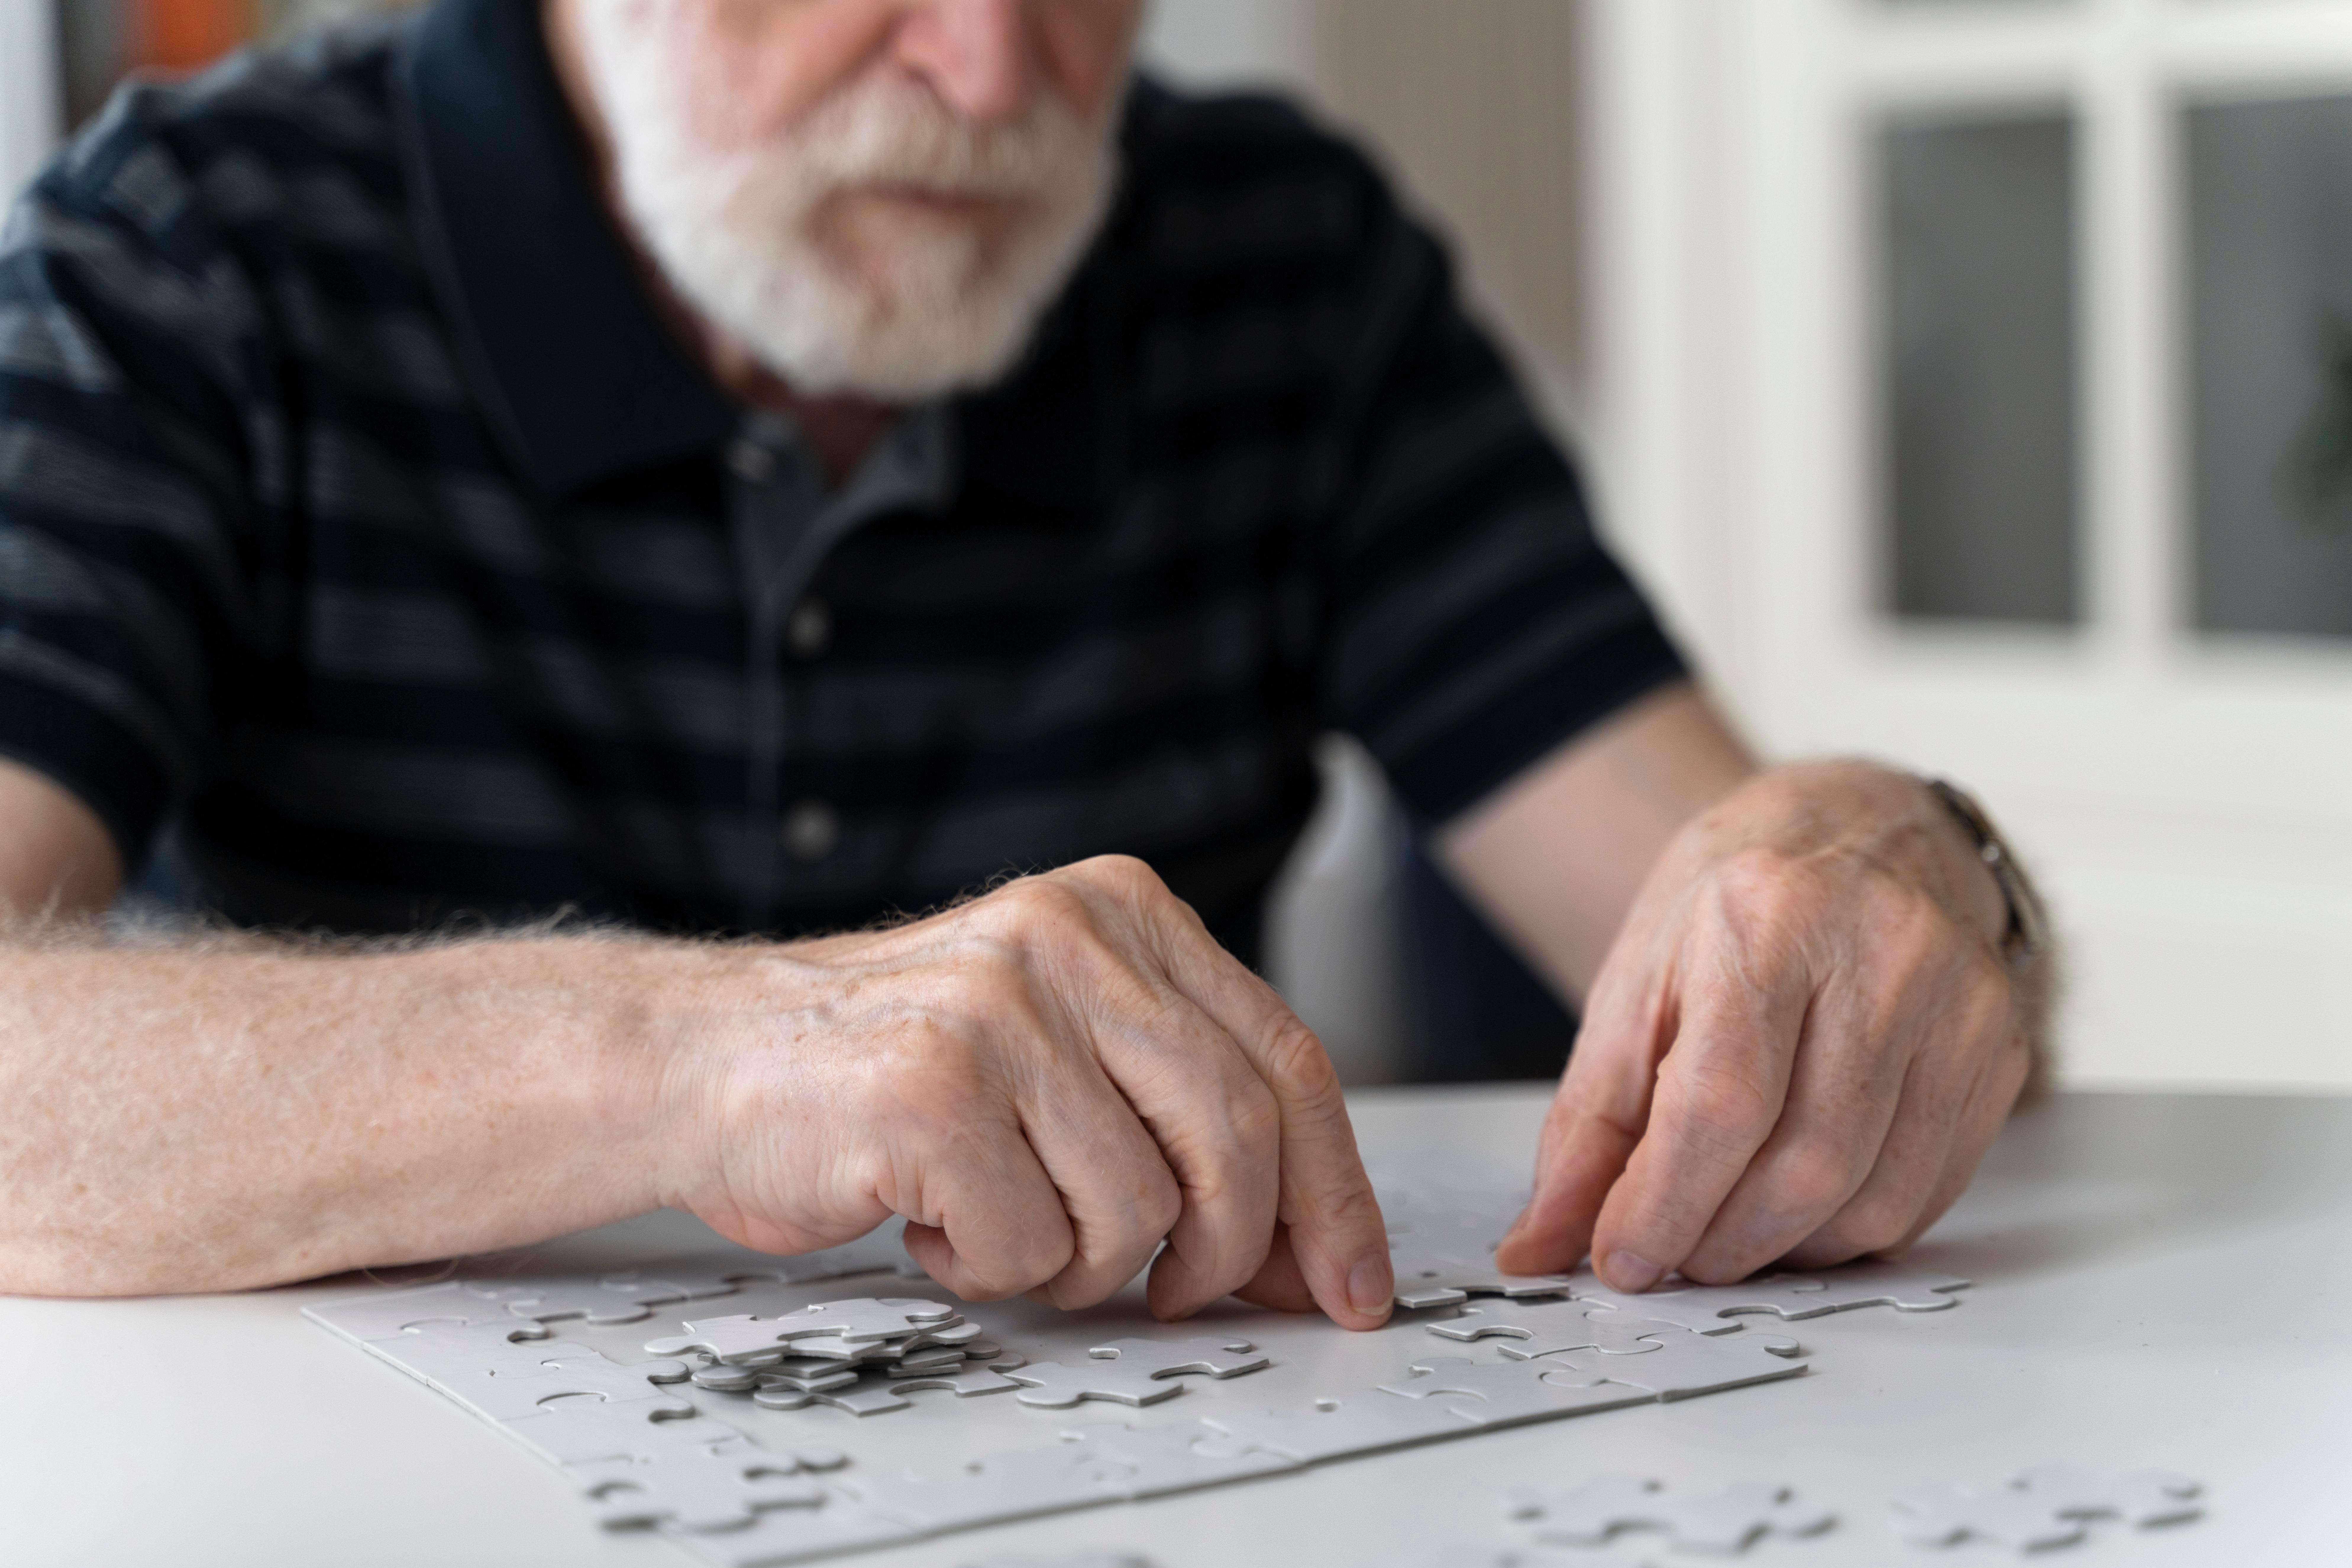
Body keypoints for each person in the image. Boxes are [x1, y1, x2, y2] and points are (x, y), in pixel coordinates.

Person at [0, 0, 2048, 1327]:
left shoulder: (1276, 263)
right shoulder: (187, 251)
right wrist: (727, 1054)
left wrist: (1897, 879)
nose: (991, 76)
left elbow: (1739, 927)